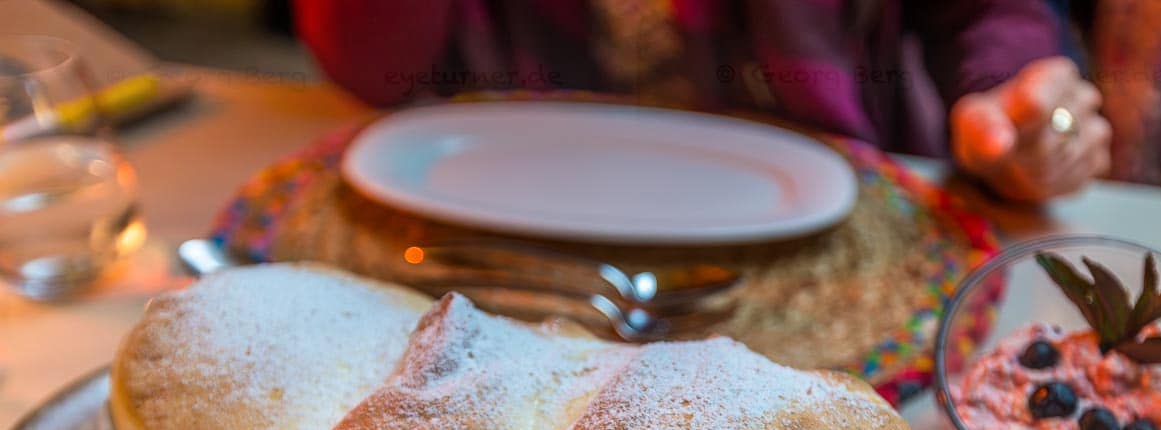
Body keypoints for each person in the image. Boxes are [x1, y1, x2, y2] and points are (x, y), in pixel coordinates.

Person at [293, 0, 1111, 203]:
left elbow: (987, 15)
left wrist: (1018, 102)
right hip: (519, 203)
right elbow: (376, 64)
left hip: (841, 211)